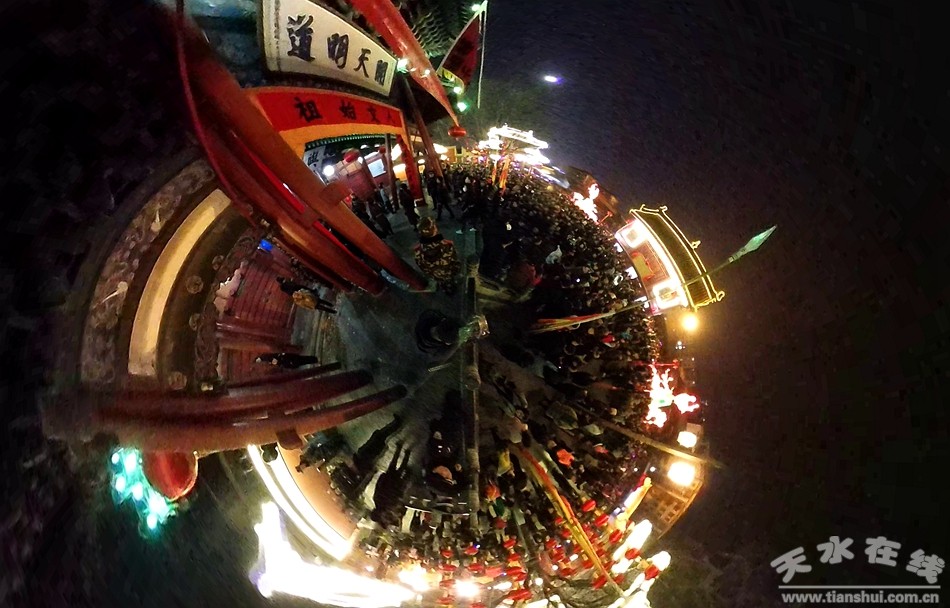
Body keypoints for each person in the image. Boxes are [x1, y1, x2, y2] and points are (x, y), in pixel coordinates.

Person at [413, 217, 461, 294]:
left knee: (442, 283)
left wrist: (432, 273)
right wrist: (456, 271)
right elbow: (454, 260)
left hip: (436, 275)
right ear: (435, 229)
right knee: (450, 282)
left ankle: (444, 288)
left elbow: (422, 267)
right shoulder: (447, 245)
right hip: (449, 272)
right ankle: (451, 288)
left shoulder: (417, 250)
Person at [255, 352, 322, 368]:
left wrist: (276, 363)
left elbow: (276, 361)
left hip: (287, 360)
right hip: (286, 359)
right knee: (302, 360)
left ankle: (315, 360)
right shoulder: (267, 359)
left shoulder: (267, 358)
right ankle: (315, 359)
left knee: (302, 360)